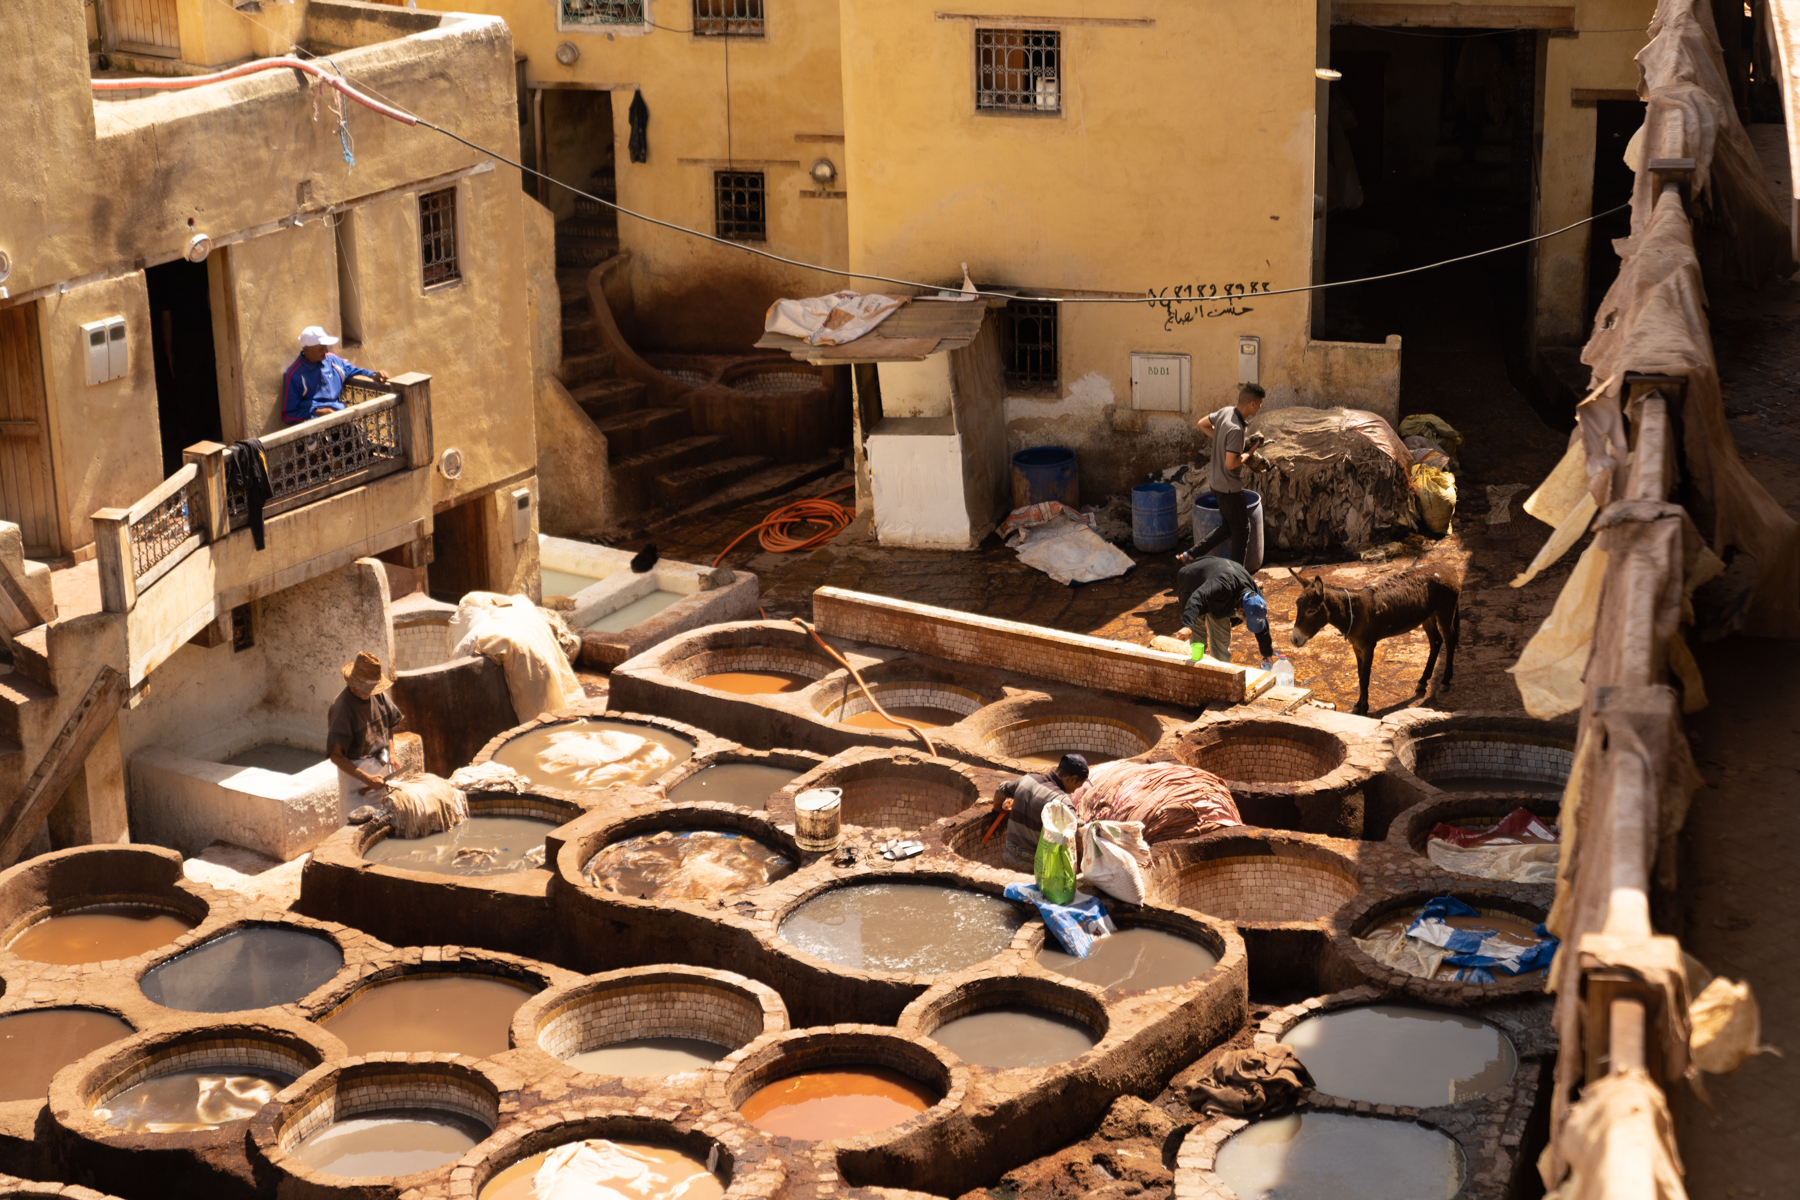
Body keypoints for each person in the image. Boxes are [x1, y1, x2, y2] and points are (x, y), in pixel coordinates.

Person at [1180, 383, 1267, 565]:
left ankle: (1190, 555)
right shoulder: (1236, 429)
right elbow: (1231, 464)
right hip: (1229, 488)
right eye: (1260, 404)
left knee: (1228, 527)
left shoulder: (1225, 412)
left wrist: (1221, 439)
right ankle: (1238, 577)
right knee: (1242, 531)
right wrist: (1250, 453)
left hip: (1216, 484)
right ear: (1252, 404)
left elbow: (1201, 424)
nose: (1260, 407)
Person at [327, 652, 406, 814]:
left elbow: (389, 723)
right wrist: (367, 779)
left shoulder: (378, 695)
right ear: (355, 684)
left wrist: (392, 754)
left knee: (385, 821)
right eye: (367, 688)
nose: (371, 691)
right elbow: (336, 756)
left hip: (381, 772)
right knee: (358, 829)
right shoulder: (341, 709)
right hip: (357, 781)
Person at [990, 753, 1089, 872]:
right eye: (1078, 786)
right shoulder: (1061, 799)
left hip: (1008, 856)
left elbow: (1000, 792)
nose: (1075, 791)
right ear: (1072, 778)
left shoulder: (1027, 779)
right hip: (1035, 866)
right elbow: (1080, 832)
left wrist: (998, 810)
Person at [1174, 555, 1274, 666]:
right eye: (1247, 620)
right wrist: (1188, 626)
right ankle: (1196, 671)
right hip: (1193, 584)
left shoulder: (1256, 599)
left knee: (1221, 646)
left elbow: (1260, 623)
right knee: (1197, 641)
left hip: (1219, 593)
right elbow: (1196, 599)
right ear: (1240, 610)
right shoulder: (1223, 584)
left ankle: (1220, 673)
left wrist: (1267, 654)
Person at [282, 326, 388, 425]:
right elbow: (288, 415)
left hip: (340, 417)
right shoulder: (294, 375)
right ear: (306, 350)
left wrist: (374, 374)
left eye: (325, 347)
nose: (326, 351)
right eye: (321, 349)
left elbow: (353, 370)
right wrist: (317, 413)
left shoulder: (332, 360)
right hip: (316, 428)